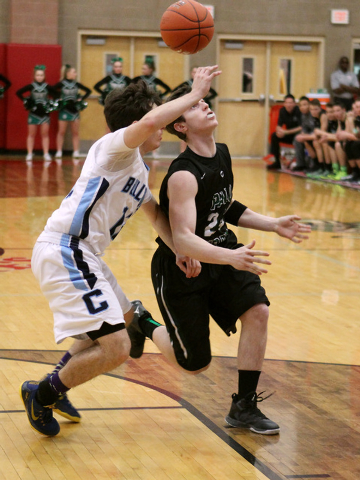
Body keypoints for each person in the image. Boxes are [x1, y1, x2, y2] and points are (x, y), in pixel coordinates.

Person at [19, 66, 221, 437]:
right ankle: (43, 393)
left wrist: (179, 249)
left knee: (106, 331)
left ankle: (60, 379)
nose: (162, 127)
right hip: (66, 250)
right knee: (117, 348)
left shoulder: (138, 169)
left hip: (87, 257)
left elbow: (156, 215)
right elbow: (148, 123)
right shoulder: (112, 149)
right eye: (157, 119)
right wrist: (193, 95)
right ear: (138, 122)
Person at [127, 84, 311, 436]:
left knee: (258, 310)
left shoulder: (221, 153)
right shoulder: (182, 174)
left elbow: (223, 205)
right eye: (196, 106)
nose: (206, 106)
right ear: (180, 126)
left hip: (223, 253)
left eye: (205, 102)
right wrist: (232, 257)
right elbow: (182, 238)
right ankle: (143, 322)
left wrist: (272, 224)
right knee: (194, 363)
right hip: (184, 269)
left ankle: (244, 405)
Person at [16, 65, 57, 161]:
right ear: (34, 76)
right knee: (31, 134)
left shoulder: (47, 86)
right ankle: (29, 153)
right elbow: (18, 92)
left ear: (44, 76)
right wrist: (27, 101)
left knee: (45, 134)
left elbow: (57, 95)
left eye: (41, 75)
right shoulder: (31, 86)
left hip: (44, 114)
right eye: (38, 75)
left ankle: (46, 153)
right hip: (33, 113)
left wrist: (51, 103)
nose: (39, 77)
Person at [52, 64, 92, 159]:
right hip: (64, 110)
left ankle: (76, 151)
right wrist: (59, 98)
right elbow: (51, 90)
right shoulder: (61, 83)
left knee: (75, 132)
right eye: (74, 72)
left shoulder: (76, 84)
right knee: (61, 132)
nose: (76, 74)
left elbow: (88, 91)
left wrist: (80, 98)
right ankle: (59, 151)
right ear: (68, 73)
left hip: (74, 110)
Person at [265, 94, 302, 170]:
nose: (289, 105)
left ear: (294, 104)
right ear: (284, 104)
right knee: (274, 136)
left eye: (291, 103)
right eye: (287, 103)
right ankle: (276, 162)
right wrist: (279, 131)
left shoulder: (298, 111)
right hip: (287, 135)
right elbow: (279, 125)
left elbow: (301, 127)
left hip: (297, 135)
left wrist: (286, 132)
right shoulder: (282, 111)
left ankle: (300, 164)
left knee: (298, 138)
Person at [294, 99, 326, 178]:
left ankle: (322, 167)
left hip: (325, 137)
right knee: (305, 141)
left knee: (315, 142)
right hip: (317, 136)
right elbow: (306, 130)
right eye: (311, 109)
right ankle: (315, 165)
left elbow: (321, 133)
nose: (313, 111)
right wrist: (304, 136)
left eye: (315, 109)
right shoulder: (312, 116)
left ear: (320, 108)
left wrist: (305, 136)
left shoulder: (323, 116)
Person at [337, 98, 360, 183]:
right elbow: (356, 133)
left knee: (355, 144)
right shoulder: (357, 119)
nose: (357, 109)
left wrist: (347, 135)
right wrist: (350, 121)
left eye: (358, 107)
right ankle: (355, 173)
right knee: (348, 144)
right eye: (356, 107)